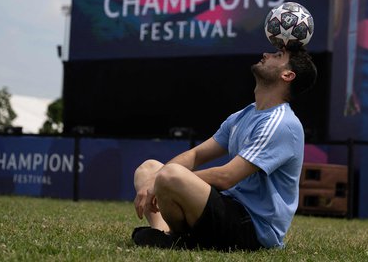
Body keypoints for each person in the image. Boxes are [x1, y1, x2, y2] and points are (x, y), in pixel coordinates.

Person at [132, 47, 317, 250]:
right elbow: (195, 154)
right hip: (228, 207)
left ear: (287, 75)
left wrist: (164, 180)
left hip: (252, 228)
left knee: (169, 175)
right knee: (148, 169)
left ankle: (177, 239)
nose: (266, 54)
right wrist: (155, 179)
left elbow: (226, 177)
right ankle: (166, 235)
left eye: (278, 56)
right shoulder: (243, 115)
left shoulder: (282, 123)